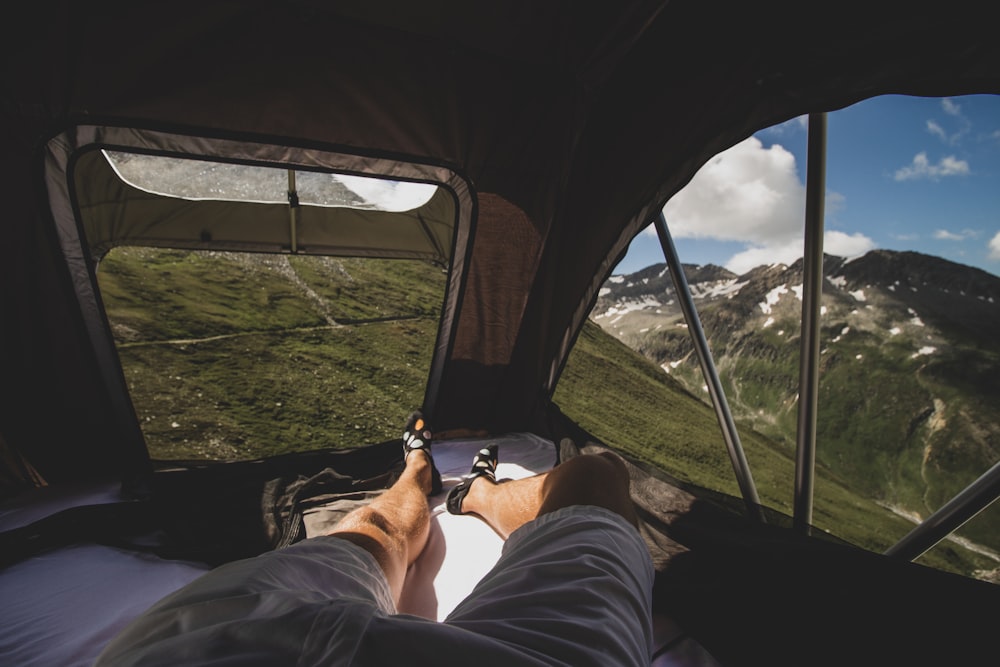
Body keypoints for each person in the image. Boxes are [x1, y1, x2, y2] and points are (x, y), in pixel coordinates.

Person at [95, 412, 654, 666]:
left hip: (228, 644)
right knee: (597, 475)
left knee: (376, 533)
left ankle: (417, 471)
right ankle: (472, 489)